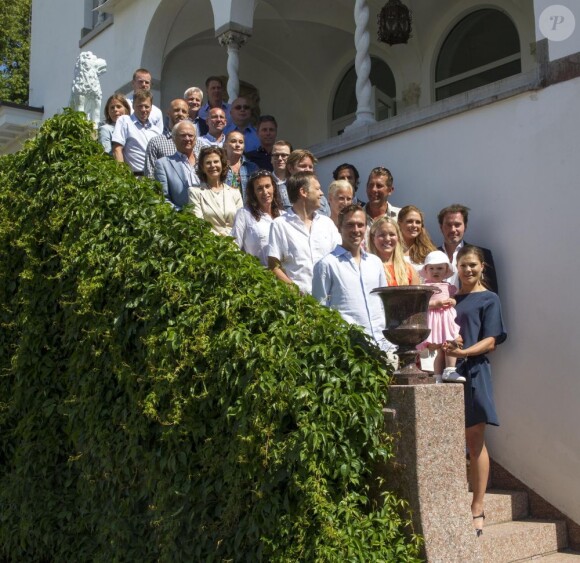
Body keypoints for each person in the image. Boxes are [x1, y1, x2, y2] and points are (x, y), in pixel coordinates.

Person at [442, 245, 507, 538]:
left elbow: (492, 340)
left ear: (482, 267)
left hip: (475, 371)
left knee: (475, 438)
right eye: (463, 265)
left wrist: (464, 352)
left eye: (472, 265)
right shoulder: (449, 299)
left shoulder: (489, 299)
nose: (467, 270)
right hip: (447, 372)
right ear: (456, 266)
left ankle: (477, 507)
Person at [312, 204, 394, 353]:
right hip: (348, 348)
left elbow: (384, 304)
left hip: (382, 345)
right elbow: (319, 311)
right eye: (350, 225)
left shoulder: (375, 263)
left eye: (360, 225)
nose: (356, 230)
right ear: (339, 227)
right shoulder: (327, 264)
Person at [268, 171, 340, 294]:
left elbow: (340, 259)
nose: (321, 193)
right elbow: (274, 266)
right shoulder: (280, 225)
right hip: (300, 306)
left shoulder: (327, 223)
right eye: (317, 189)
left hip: (331, 302)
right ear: (303, 192)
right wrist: (296, 293)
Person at [416, 251, 462, 382]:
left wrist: (452, 301)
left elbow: (453, 299)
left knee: (450, 344)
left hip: (446, 320)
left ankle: (450, 370)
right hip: (434, 319)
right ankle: (437, 375)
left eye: (440, 268)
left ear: (446, 269)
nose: (435, 271)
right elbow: (421, 304)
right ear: (426, 270)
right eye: (431, 268)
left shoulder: (449, 286)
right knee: (438, 349)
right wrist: (436, 303)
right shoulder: (425, 287)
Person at [438, 204, 498, 294]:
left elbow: (492, 292)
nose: (453, 229)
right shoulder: (431, 255)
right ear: (441, 227)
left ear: (465, 226)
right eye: (448, 225)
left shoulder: (483, 255)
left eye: (457, 225)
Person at [232, 170, 283, 266]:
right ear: (253, 193)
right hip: (260, 275)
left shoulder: (283, 215)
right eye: (259, 188)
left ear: (274, 188)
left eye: (267, 186)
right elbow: (234, 246)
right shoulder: (244, 214)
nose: (265, 192)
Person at [188, 146, 242, 236]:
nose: (213, 165)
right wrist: (222, 238)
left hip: (235, 245)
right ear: (202, 167)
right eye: (208, 163)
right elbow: (198, 224)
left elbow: (241, 223)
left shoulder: (235, 193)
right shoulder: (195, 192)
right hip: (210, 246)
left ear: (222, 164)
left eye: (216, 162)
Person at [112, 89, 163, 175]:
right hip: (133, 178)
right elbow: (117, 149)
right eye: (140, 106)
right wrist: (122, 176)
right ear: (133, 106)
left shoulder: (156, 131)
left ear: (151, 108)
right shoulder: (125, 121)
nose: (143, 110)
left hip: (154, 178)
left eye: (147, 106)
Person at [153, 120, 200, 210]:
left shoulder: (204, 161)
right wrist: (183, 215)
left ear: (195, 138)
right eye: (183, 135)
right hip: (182, 218)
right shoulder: (163, 164)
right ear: (174, 138)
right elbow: (163, 198)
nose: (187, 138)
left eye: (190, 135)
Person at [143, 98, 191, 178]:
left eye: (184, 111)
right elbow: (149, 174)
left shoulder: (196, 143)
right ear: (168, 112)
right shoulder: (156, 142)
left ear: (187, 116)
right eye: (176, 110)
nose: (180, 114)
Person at [368, 217, 419, 286]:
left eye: (392, 234)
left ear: (398, 237)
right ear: (372, 238)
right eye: (382, 235)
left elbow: (417, 296)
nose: (387, 239)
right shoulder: (366, 267)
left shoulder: (408, 269)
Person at [285, 149, 331, 216]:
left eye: (310, 167)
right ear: (290, 168)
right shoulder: (279, 193)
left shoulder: (321, 197)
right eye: (303, 166)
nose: (307, 170)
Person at [397, 205, 437, 274]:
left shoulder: (429, 251)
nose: (414, 225)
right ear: (399, 223)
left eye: (418, 222)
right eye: (409, 221)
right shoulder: (391, 249)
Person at [224, 131, 258, 202]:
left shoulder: (252, 167)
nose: (237, 145)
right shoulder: (220, 167)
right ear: (225, 145)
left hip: (247, 210)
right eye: (233, 141)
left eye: (241, 142)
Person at [269, 140, 293, 209]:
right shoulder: (265, 182)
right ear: (271, 159)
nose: (280, 158)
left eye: (284, 155)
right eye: (276, 155)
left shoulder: (298, 182)